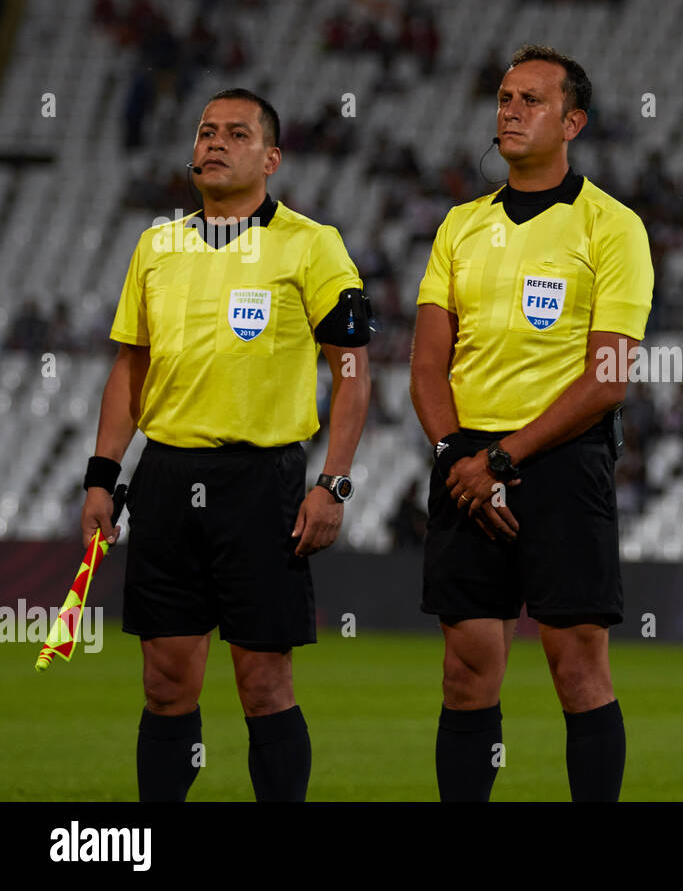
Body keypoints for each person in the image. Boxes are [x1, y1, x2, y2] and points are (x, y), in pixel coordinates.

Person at [80, 88, 371, 801]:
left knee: (264, 683)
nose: (213, 143)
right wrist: (100, 476)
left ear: (270, 158)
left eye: (235, 134)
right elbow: (131, 368)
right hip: (166, 478)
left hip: (262, 481)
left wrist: (333, 483)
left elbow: (354, 370)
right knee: (166, 681)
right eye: (205, 131)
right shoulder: (157, 245)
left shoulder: (312, 244)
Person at [410, 45, 653, 802]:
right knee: (466, 669)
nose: (509, 111)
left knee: (578, 667)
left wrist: (504, 462)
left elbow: (609, 377)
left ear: (572, 121)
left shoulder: (612, 227)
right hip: (464, 461)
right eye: (505, 97)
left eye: (531, 100)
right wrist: (460, 458)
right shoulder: (458, 225)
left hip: (559, 462)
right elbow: (425, 364)